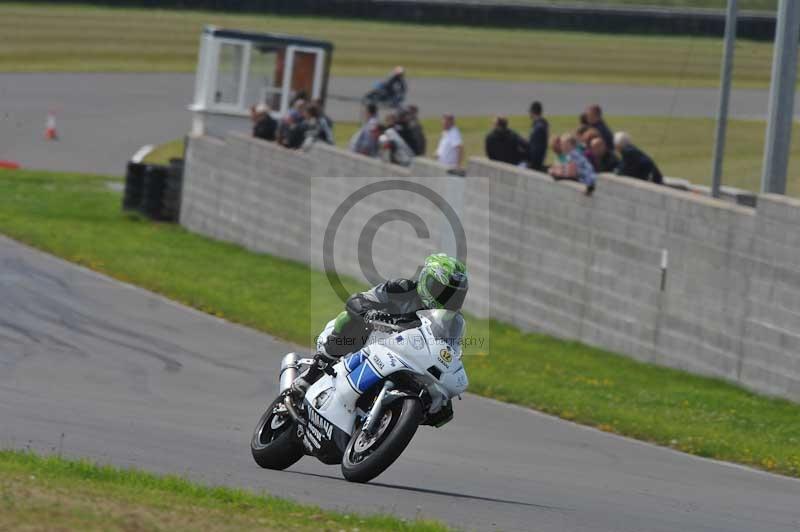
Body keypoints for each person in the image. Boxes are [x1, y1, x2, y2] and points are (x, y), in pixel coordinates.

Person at [292, 253, 469, 396]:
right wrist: (368, 313)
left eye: (454, 295)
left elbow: (450, 353)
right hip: (372, 339)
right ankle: (312, 373)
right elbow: (358, 300)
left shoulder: (453, 323)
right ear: (426, 281)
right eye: (442, 291)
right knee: (348, 319)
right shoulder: (401, 288)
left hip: (409, 358)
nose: (447, 299)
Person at [527, 101, 549, 171]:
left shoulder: (538, 128)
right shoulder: (541, 125)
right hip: (538, 161)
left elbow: (536, 148)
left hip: (535, 164)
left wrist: (531, 163)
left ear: (532, 112)